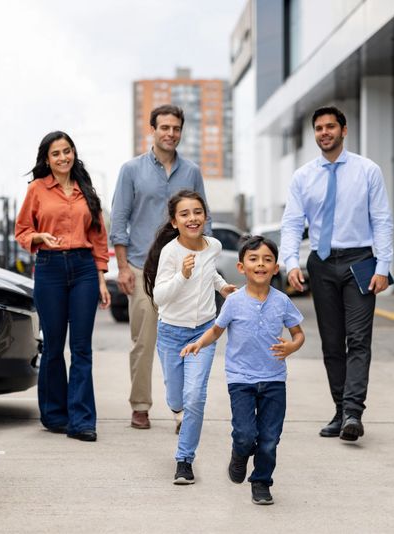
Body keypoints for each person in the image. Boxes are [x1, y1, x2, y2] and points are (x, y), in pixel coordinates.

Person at [280, 106, 393, 442]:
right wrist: (291, 263)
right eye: (318, 128)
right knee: (331, 343)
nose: (324, 132)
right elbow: (291, 223)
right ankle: (340, 410)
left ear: (344, 130)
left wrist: (383, 267)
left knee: (358, 340)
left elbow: (382, 220)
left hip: (360, 261)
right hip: (321, 263)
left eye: (331, 126)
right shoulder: (303, 176)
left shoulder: (367, 170)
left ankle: (353, 411)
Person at [181, 235, 304, 506]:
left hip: (273, 379)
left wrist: (292, 347)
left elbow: (298, 334)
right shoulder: (234, 301)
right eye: (253, 259)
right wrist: (198, 343)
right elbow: (216, 330)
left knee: (270, 438)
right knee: (246, 434)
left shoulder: (282, 301)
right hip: (241, 380)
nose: (260, 264)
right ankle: (240, 453)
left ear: (276, 268)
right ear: (241, 267)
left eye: (267, 260)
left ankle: (261, 482)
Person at [110, 104, 210, 430]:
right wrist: (123, 268)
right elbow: (119, 222)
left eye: (176, 128)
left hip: (184, 269)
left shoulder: (191, 171)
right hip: (142, 268)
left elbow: (200, 220)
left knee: (183, 341)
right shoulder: (131, 170)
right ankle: (140, 406)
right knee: (144, 342)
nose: (170, 133)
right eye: (164, 127)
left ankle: (181, 411)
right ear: (152, 130)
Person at [15, 131, 111, 442]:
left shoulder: (86, 189)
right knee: (54, 346)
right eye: (56, 153)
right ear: (47, 159)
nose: (63, 158)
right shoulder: (37, 189)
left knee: (82, 348)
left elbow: (98, 237)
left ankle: (82, 420)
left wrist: (100, 278)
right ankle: (55, 415)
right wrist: (39, 238)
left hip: (83, 269)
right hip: (50, 269)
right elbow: (21, 230)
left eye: (67, 151)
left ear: (74, 153)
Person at [143, 190, 236, 484]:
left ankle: (184, 460)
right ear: (174, 222)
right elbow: (159, 296)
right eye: (184, 214)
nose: (192, 218)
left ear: (205, 216)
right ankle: (176, 409)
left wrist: (222, 288)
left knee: (195, 396)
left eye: (197, 212)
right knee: (176, 396)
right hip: (171, 332)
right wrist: (182, 276)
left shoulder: (214, 246)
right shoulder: (170, 253)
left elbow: (209, 274)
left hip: (203, 332)